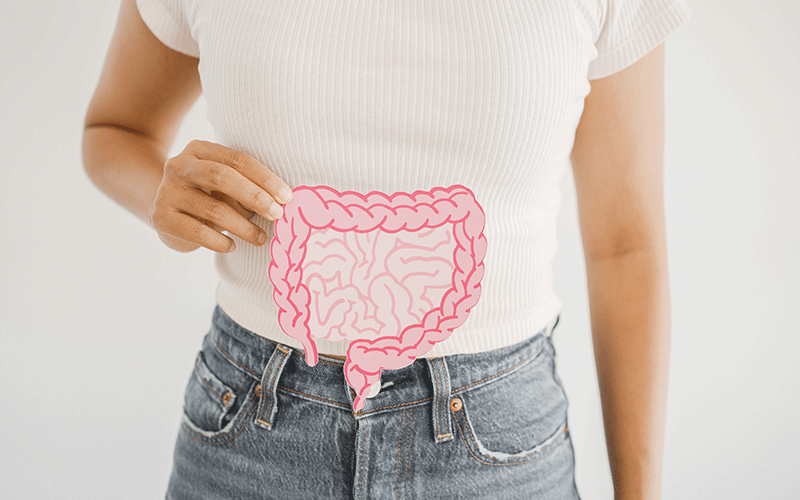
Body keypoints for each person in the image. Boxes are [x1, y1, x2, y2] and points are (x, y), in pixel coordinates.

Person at [82, 0, 690, 498]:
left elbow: (625, 244)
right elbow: (115, 129)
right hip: (251, 425)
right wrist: (161, 195)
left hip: (497, 444)